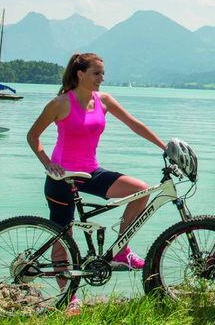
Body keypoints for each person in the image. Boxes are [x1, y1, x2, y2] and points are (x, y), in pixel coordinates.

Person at [27, 52, 165, 278]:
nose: (101, 78)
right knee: (64, 238)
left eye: (103, 73)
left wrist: (164, 147)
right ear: (80, 74)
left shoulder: (104, 100)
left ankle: (121, 251)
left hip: (91, 172)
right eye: (96, 73)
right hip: (63, 177)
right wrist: (48, 163)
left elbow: (134, 124)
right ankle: (69, 299)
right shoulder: (60, 103)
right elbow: (33, 136)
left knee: (141, 190)